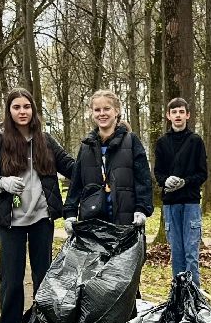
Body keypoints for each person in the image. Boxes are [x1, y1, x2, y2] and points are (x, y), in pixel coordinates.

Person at [0, 87, 75, 323]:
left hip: (41, 219)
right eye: (16, 107)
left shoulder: (45, 140)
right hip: (11, 222)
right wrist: (2, 182)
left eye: (27, 107)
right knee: (10, 279)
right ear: (9, 112)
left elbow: (70, 166)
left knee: (43, 279)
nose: (22, 112)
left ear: (33, 110)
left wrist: (100, 168)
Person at [64, 89, 153, 236]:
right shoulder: (86, 147)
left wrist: (142, 209)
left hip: (126, 221)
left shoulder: (131, 141)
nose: (102, 113)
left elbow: (143, 179)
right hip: (92, 222)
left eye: (107, 108)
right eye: (97, 110)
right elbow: (76, 183)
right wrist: (70, 213)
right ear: (92, 113)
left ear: (116, 111)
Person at [153, 97, 207, 286]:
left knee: (191, 253)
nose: (178, 115)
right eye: (174, 112)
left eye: (181, 112)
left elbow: (202, 174)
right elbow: (157, 172)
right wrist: (165, 180)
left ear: (188, 115)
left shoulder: (195, 141)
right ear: (168, 116)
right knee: (176, 254)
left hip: (191, 203)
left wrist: (185, 182)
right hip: (170, 205)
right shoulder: (162, 143)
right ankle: (179, 296)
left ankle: (194, 297)